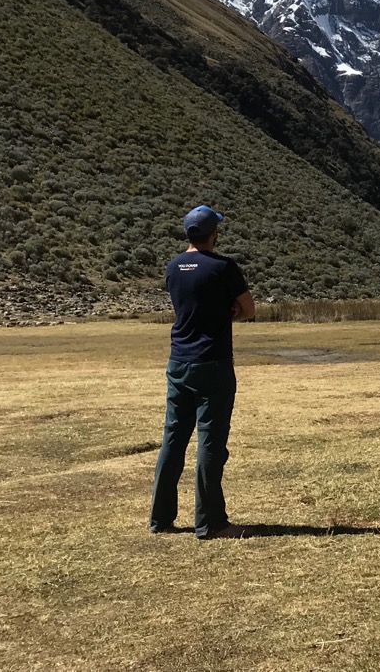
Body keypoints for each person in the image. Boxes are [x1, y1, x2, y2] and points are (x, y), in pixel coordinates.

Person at [149, 205, 255, 539]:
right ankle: (210, 522)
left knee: (173, 438)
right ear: (214, 234)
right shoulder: (223, 267)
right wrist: (227, 315)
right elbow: (248, 309)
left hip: (178, 361)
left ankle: (160, 518)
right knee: (210, 440)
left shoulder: (172, 267)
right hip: (213, 361)